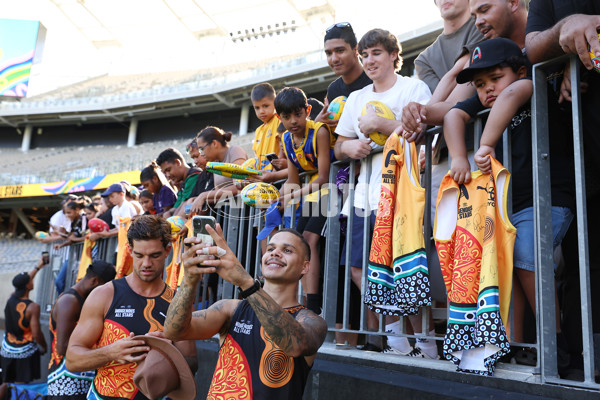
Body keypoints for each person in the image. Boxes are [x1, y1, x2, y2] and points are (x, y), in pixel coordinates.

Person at [444, 37, 574, 370]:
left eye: (495, 78)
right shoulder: (489, 98)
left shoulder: (530, 83)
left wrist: (484, 145)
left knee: (526, 255)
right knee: (506, 267)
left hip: (547, 198)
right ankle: (511, 343)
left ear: (518, 71)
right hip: (507, 206)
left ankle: (554, 343)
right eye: (480, 84)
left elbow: (514, 93)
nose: (488, 90)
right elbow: (453, 117)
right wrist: (458, 156)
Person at [334, 28, 434, 356]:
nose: (369, 60)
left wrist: (380, 124)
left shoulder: (414, 87)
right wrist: (352, 147)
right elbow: (338, 147)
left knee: (404, 269)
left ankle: (427, 343)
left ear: (393, 55)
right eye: (364, 55)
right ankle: (398, 339)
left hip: (402, 191)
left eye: (376, 53)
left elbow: (424, 133)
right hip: (364, 196)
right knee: (360, 269)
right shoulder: (357, 98)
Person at [525, 0, 600, 378]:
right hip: (584, 159)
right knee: (584, 263)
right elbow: (535, 47)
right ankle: (588, 363)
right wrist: (568, 41)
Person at [164, 227, 327, 399]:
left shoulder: (312, 321)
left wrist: (246, 283)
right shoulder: (230, 309)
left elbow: (295, 344)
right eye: (271, 249)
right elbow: (174, 331)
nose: (275, 253)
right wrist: (189, 281)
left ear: (305, 267)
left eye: (287, 250)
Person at [65, 215, 197, 400]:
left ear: (167, 250)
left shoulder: (178, 303)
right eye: (139, 255)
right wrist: (110, 352)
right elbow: (72, 359)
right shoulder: (104, 295)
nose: (146, 264)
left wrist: (165, 351)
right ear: (129, 250)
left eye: (155, 255)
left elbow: (191, 363)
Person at [275, 86, 336, 315]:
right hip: (308, 197)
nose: (293, 121)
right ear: (279, 118)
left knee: (308, 240)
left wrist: (292, 195)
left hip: (329, 193)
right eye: (286, 116)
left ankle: (313, 304)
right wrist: (276, 198)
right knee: (296, 244)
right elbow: (292, 180)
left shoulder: (319, 131)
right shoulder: (286, 138)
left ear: (308, 110)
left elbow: (322, 177)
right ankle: (295, 300)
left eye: (297, 114)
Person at [47, 260, 116, 400]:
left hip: (76, 379)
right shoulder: (70, 301)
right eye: (104, 287)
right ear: (95, 281)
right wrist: (106, 350)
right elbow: (62, 347)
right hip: (66, 383)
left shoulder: (80, 299)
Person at [316, 22, 373, 129]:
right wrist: (318, 125)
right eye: (329, 53)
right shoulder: (333, 90)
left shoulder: (375, 80)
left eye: (340, 51)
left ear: (356, 50)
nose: (334, 59)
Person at [1, 257, 48, 383]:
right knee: (22, 386)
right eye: (30, 280)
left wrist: (38, 267)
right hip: (24, 351)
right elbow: (37, 334)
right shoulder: (33, 307)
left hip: (7, 348)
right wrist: (44, 346)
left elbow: (22, 282)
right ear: (28, 285)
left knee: (6, 383)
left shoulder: (11, 299)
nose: (32, 279)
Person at [190, 126, 248, 213]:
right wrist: (198, 201)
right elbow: (220, 194)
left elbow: (240, 186)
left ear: (214, 144)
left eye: (202, 149)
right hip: (228, 215)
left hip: (243, 213)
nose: (201, 154)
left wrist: (203, 196)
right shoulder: (215, 164)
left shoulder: (234, 151)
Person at [248, 82, 289, 183]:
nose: (261, 111)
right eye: (257, 108)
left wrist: (274, 173)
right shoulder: (258, 131)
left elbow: (282, 151)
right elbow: (257, 158)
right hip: (264, 179)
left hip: (279, 178)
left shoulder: (279, 121)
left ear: (275, 103)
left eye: (265, 106)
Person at [157, 147, 207, 217]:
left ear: (177, 162)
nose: (167, 175)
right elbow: (176, 207)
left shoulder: (194, 176)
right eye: (165, 172)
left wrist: (172, 223)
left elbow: (185, 204)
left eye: (168, 170)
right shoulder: (183, 183)